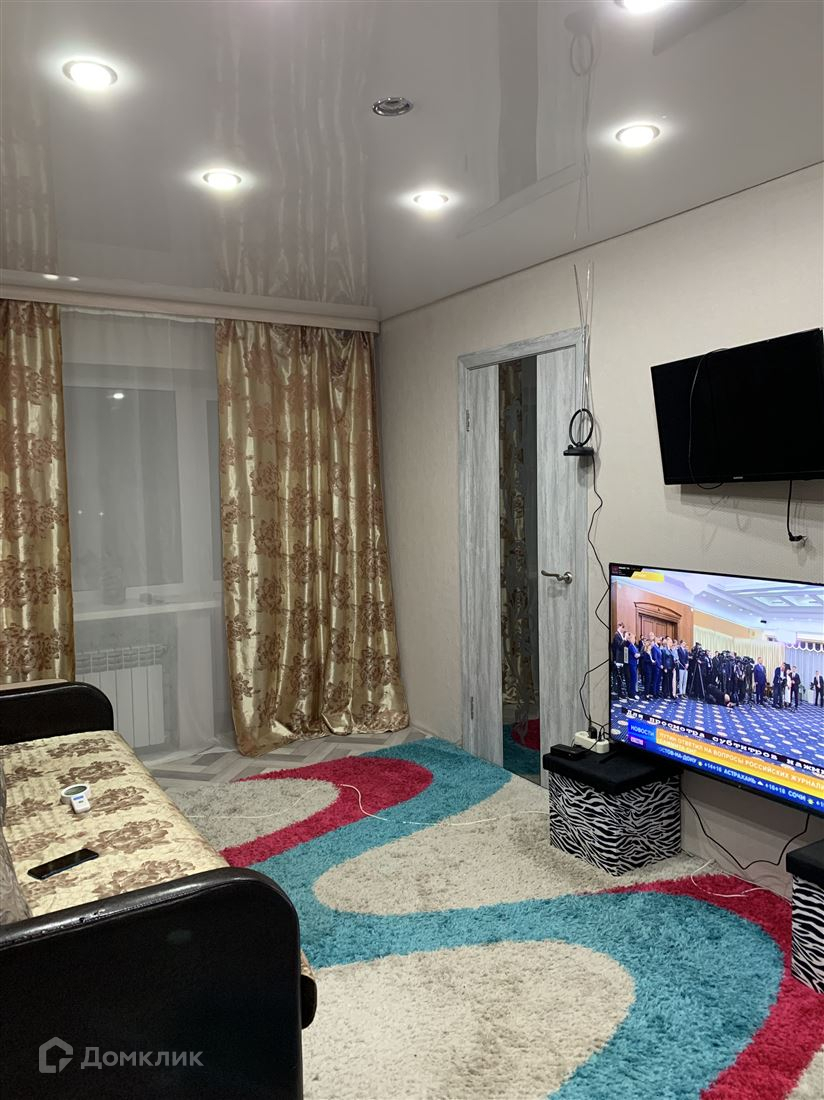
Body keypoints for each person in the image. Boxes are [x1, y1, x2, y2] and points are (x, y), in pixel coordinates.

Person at [625, 632, 639, 699]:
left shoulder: (634, 646)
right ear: (630, 639)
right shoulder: (631, 646)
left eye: (634, 638)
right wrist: (640, 654)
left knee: (634, 679)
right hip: (632, 665)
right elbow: (636, 655)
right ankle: (632, 694)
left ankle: (633, 693)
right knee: (633, 679)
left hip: (634, 664)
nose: (634, 639)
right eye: (633, 638)